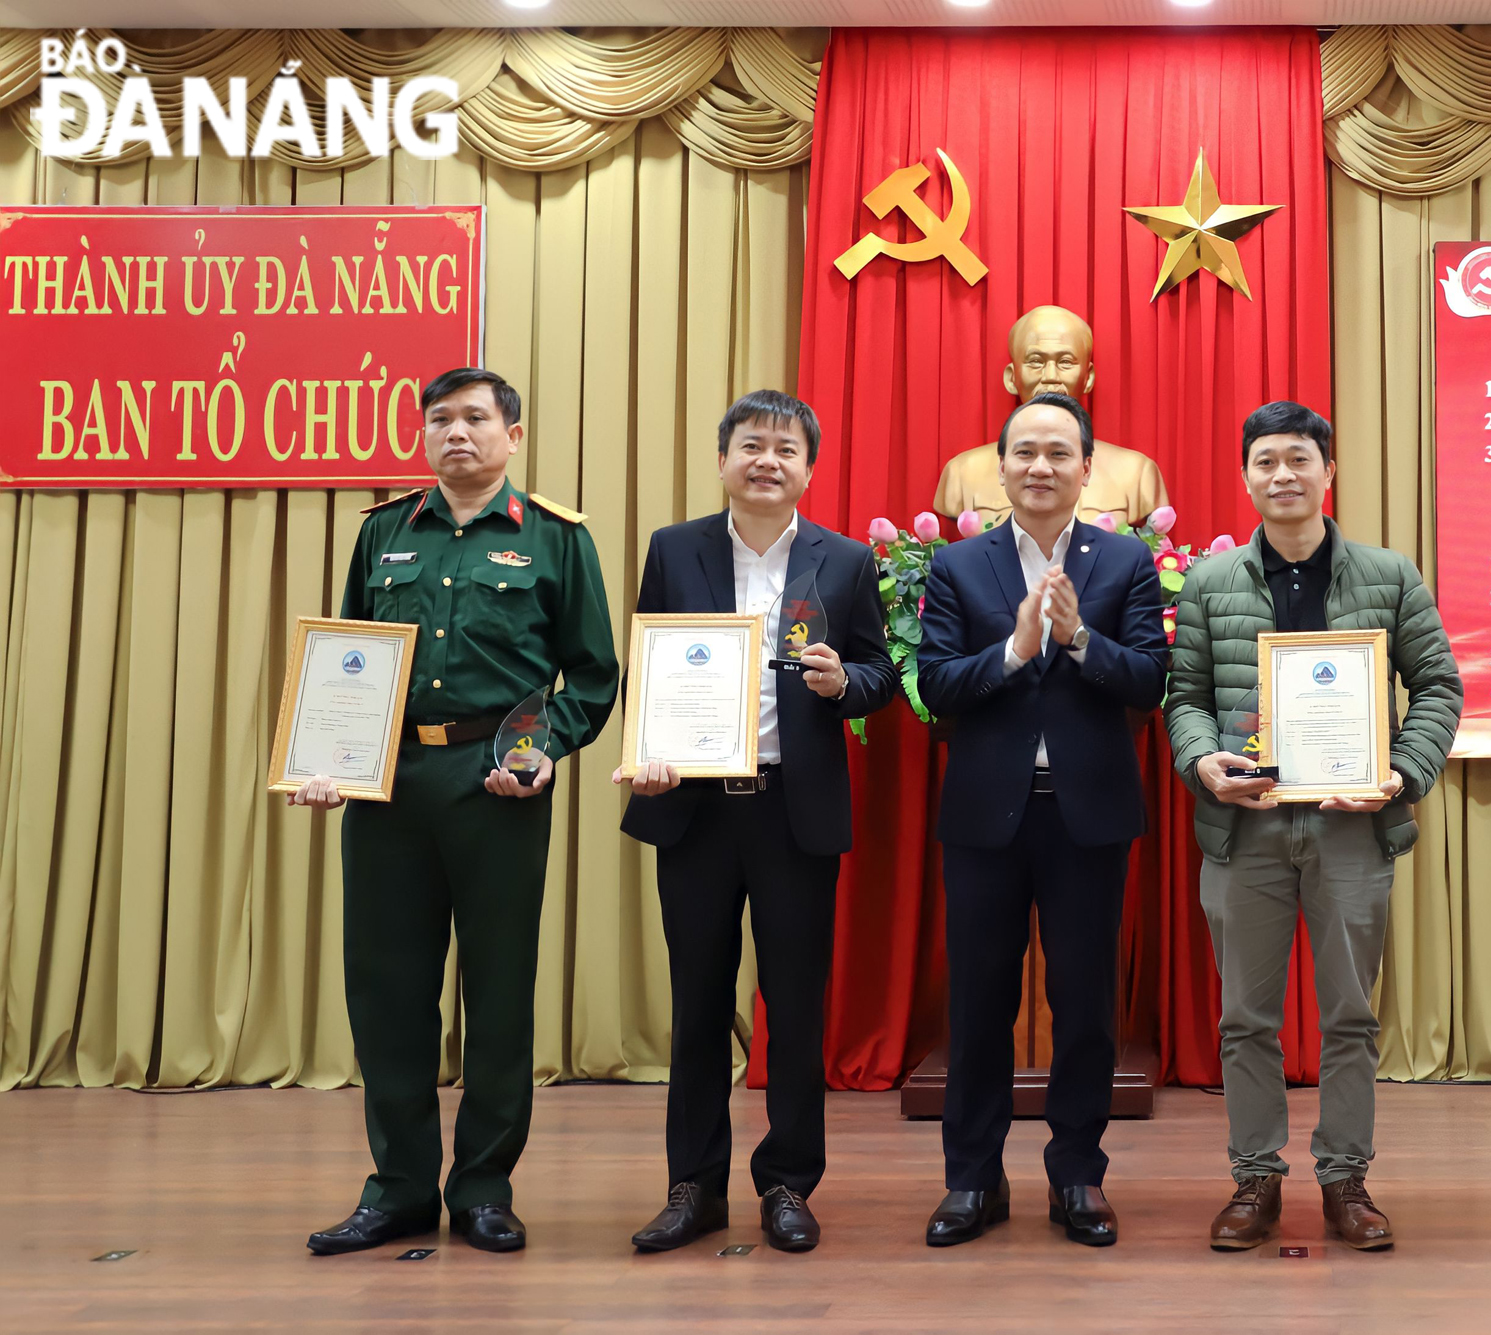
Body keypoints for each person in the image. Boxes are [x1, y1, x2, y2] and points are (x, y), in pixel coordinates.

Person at [290, 367, 619, 1256]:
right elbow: (349, 658)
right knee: (387, 991)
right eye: (440, 420)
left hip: (497, 783)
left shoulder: (555, 538)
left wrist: (540, 748)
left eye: (476, 418)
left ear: (513, 434)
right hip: (392, 782)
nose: (456, 434)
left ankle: (482, 1185)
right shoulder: (384, 531)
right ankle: (398, 1186)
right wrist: (327, 760)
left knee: (500, 990)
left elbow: (592, 674)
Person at [1164, 400, 1462, 1253]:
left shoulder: (1388, 574)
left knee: (1349, 1017)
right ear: (1246, 475)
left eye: (1298, 459)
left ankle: (1346, 1180)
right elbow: (1184, 699)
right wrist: (1200, 763)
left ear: (1329, 472)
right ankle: (1254, 1178)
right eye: (1265, 462)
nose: (1282, 476)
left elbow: (1439, 686)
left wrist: (1403, 773)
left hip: (1350, 831)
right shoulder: (1213, 581)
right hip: (1245, 830)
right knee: (1246, 1018)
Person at [614, 390, 897, 1254]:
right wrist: (651, 747)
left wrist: (840, 684)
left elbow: (883, 672)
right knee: (697, 1005)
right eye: (751, 445)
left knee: (796, 1007)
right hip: (696, 809)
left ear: (809, 466)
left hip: (792, 813)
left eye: (785, 448)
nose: (767, 461)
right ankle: (691, 1186)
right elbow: (650, 665)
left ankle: (787, 1184)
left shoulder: (844, 561)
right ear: (725, 458)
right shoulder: (675, 548)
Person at [914, 391, 1171, 1248]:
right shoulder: (959, 567)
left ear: (1087, 469)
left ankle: (1076, 1177)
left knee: (1086, 1006)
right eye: (1024, 451)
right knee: (978, 1004)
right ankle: (972, 1180)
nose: (1040, 467)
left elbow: (1148, 680)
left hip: (1087, 818)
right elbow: (937, 688)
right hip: (986, 818)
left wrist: (1080, 641)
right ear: (1001, 465)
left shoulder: (1126, 561)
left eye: (1060, 453)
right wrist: (1016, 649)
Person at [931, 304, 1170, 527]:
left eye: (1066, 362)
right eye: (1035, 362)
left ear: (1088, 378)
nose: (1050, 376)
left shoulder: (1138, 474)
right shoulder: (962, 473)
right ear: (1011, 378)